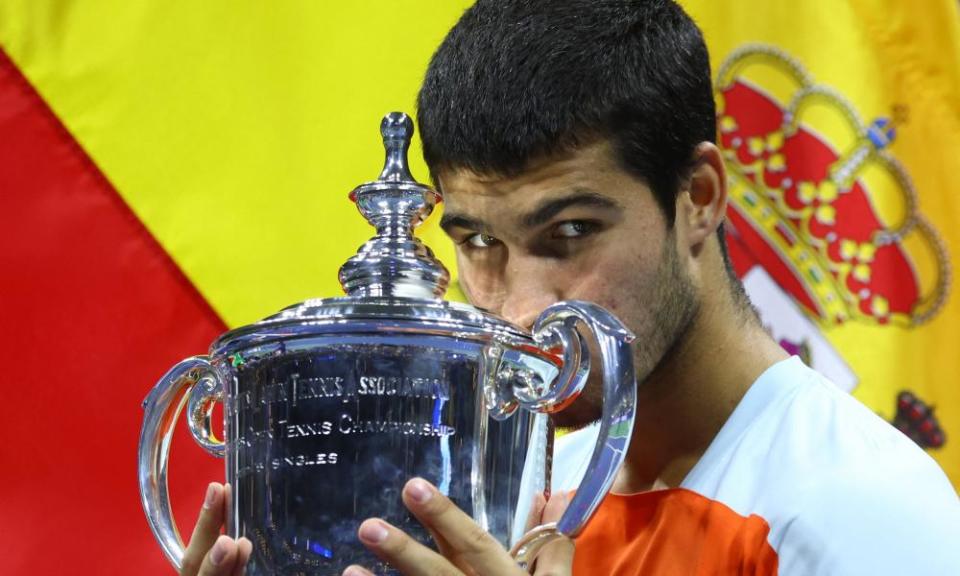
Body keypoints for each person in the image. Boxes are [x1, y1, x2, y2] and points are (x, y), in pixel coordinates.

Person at [181, 1, 960, 575]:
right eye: (478, 242)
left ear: (699, 198)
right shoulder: (490, 480)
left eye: (571, 234)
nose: (519, 307)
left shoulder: (863, 509)